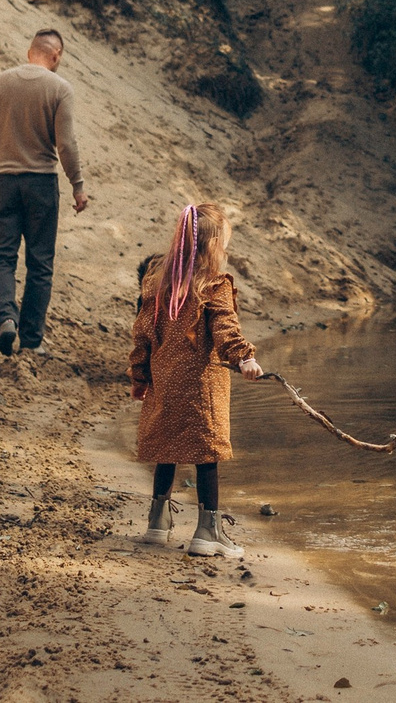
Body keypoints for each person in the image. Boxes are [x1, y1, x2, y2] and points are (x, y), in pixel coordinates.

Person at [129, 201, 264, 558]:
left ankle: (157, 523)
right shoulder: (213, 286)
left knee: (166, 451)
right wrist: (245, 357)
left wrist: (140, 378)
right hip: (202, 389)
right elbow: (225, 328)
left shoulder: (157, 288)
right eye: (225, 243)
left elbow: (142, 335)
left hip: (164, 385)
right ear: (212, 247)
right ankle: (207, 532)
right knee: (207, 456)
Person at [0, 28, 88, 356]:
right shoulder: (60, 88)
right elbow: (66, 143)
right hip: (41, 185)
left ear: (29, 51)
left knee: (2, 258)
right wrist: (77, 185)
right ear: (56, 55)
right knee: (40, 263)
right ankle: (32, 340)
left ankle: (6, 317)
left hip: (2, 183)